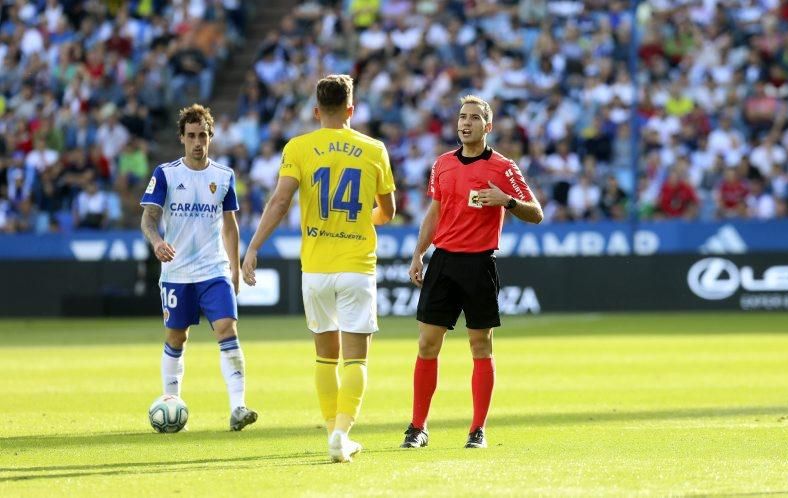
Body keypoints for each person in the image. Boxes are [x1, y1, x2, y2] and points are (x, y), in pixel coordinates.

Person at [241, 74, 396, 463]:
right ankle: (342, 433)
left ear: (315, 111)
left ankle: (333, 432)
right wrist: (363, 219)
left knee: (326, 357)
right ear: (351, 109)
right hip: (357, 265)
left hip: (315, 268)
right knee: (356, 358)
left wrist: (253, 247)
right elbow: (388, 212)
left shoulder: (299, 147)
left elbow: (279, 202)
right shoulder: (373, 148)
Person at [401, 95, 543, 450]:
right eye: (462, 117)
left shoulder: (504, 168)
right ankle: (418, 427)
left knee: (480, 345)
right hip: (443, 262)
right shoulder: (442, 164)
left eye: (474, 118)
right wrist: (419, 253)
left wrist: (506, 201)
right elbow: (434, 212)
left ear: (487, 126)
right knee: (426, 344)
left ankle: (477, 429)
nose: (466, 123)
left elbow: (536, 212)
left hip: (480, 263)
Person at [140, 104, 257, 432]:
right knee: (177, 337)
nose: (197, 142)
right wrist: (156, 242)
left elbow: (230, 226)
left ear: (210, 137)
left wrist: (234, 269)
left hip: (213, 269)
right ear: (181, 137)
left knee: (227, 329)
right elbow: (148, 219)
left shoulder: (223, 176)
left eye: (202, 135)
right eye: (191, 135)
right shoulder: (166, 174)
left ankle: (238, 407)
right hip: (177, 272)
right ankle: (171, 400)